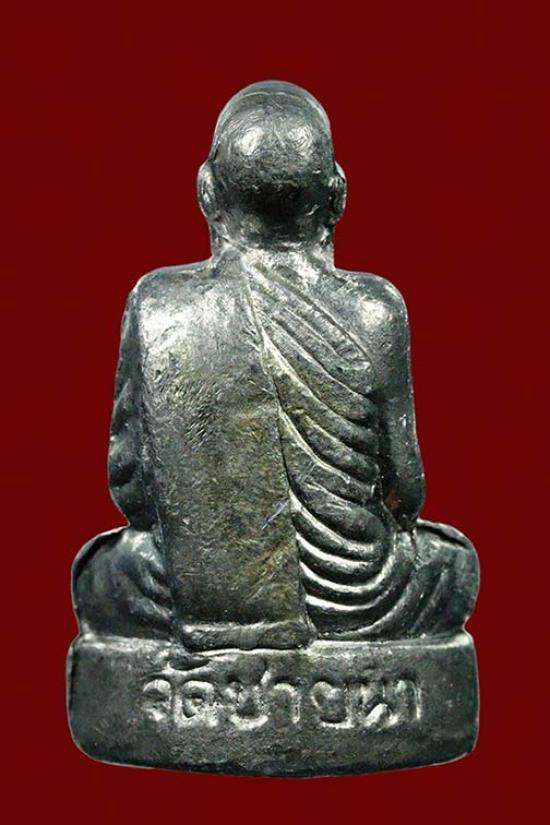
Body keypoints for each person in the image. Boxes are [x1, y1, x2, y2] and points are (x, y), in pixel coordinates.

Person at [74, 81, 479, 649]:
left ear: (207, 193)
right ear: (337, 195)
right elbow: (405, 493)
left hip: (185, 595)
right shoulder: (374, 310)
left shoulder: (157, 304)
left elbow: (131, 486)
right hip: (357, 595)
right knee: (452, 565)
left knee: (106, 573)